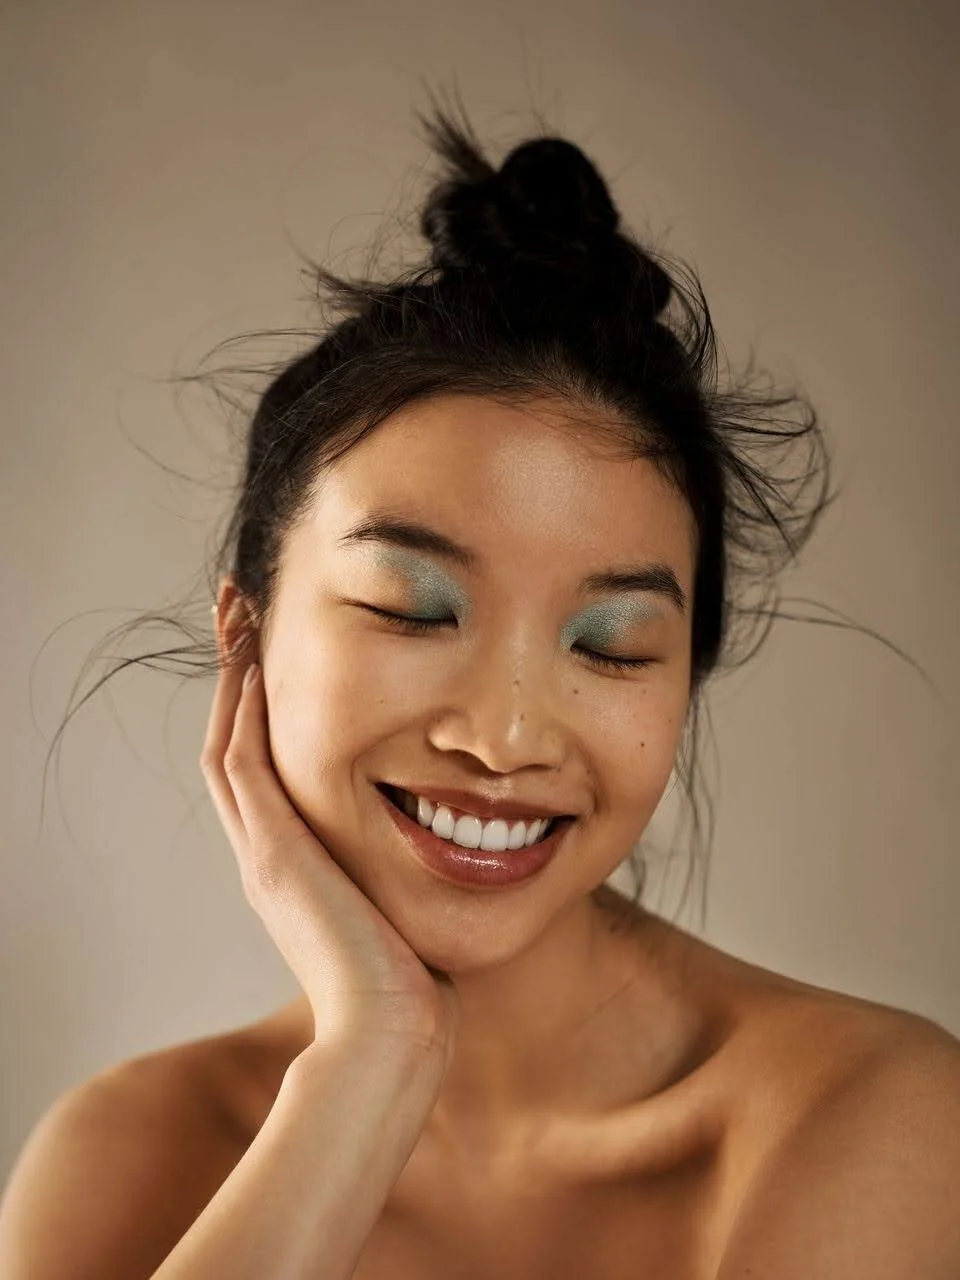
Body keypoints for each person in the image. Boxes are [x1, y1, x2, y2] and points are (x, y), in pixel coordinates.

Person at [2, 97, 959, 1280]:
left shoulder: (867, 1118)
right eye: (411, 609)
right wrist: (373, 1059)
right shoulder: (125, 1158)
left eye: (611, 644)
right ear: (244, 629)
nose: (505, 737)